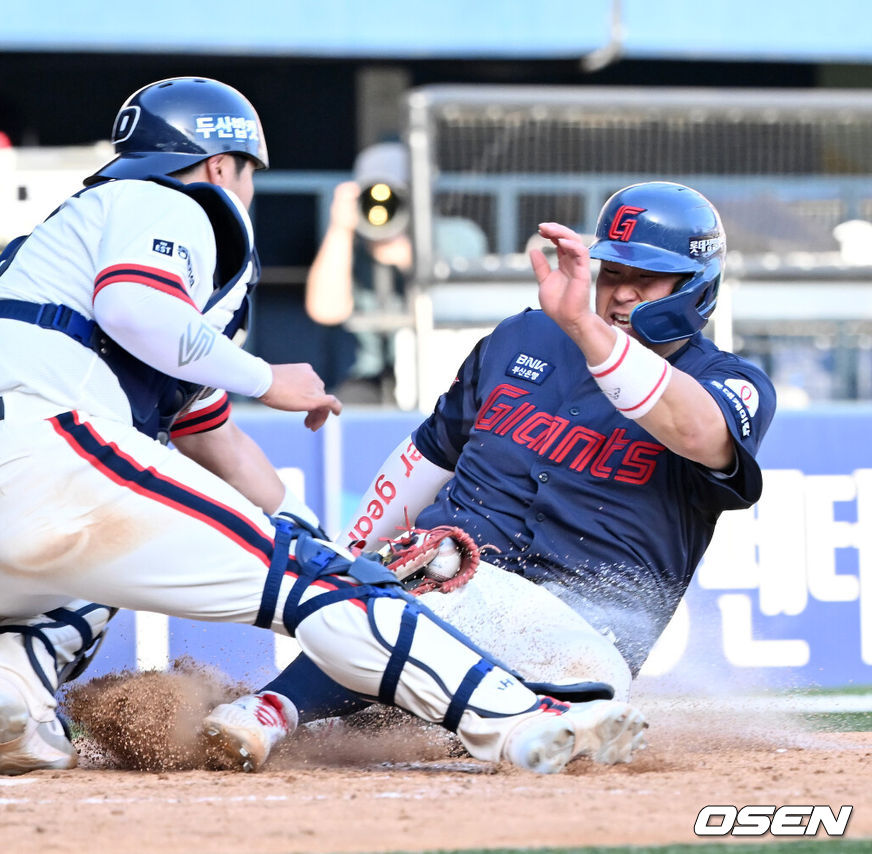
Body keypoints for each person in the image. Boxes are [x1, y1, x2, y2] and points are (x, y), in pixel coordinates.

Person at [0, 77, 644, 777]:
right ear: (219, 164)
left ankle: (4, 682)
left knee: (88, 579)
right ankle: (513, 720)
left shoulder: (63, 236)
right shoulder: (170, 201)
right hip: (38, 451)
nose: (246, 186)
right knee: (324, 586)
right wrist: (270, 380)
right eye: (247, 169)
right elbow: (136, 309)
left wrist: (300, 524)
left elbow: (209, 436)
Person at [205, 181, 776, 771]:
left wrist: (585, 328)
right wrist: (349, 568)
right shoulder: (521, 337)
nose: (622, 292)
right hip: (441, 583)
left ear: (696, 286)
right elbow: (427, 456)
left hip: (574, 634)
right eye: (612, 272)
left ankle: (538, 716)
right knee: (429, 573)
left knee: (583, 676)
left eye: (647, 278)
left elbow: (696, 433)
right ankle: (270, 710)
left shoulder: (731, 385)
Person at [305, 141, 486, 403]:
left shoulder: (458, 235)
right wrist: (340, 229)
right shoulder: (352, 246)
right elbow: (325, 311)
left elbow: (466, 307)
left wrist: (411, 260)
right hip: (376, 373)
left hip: (446, 369)